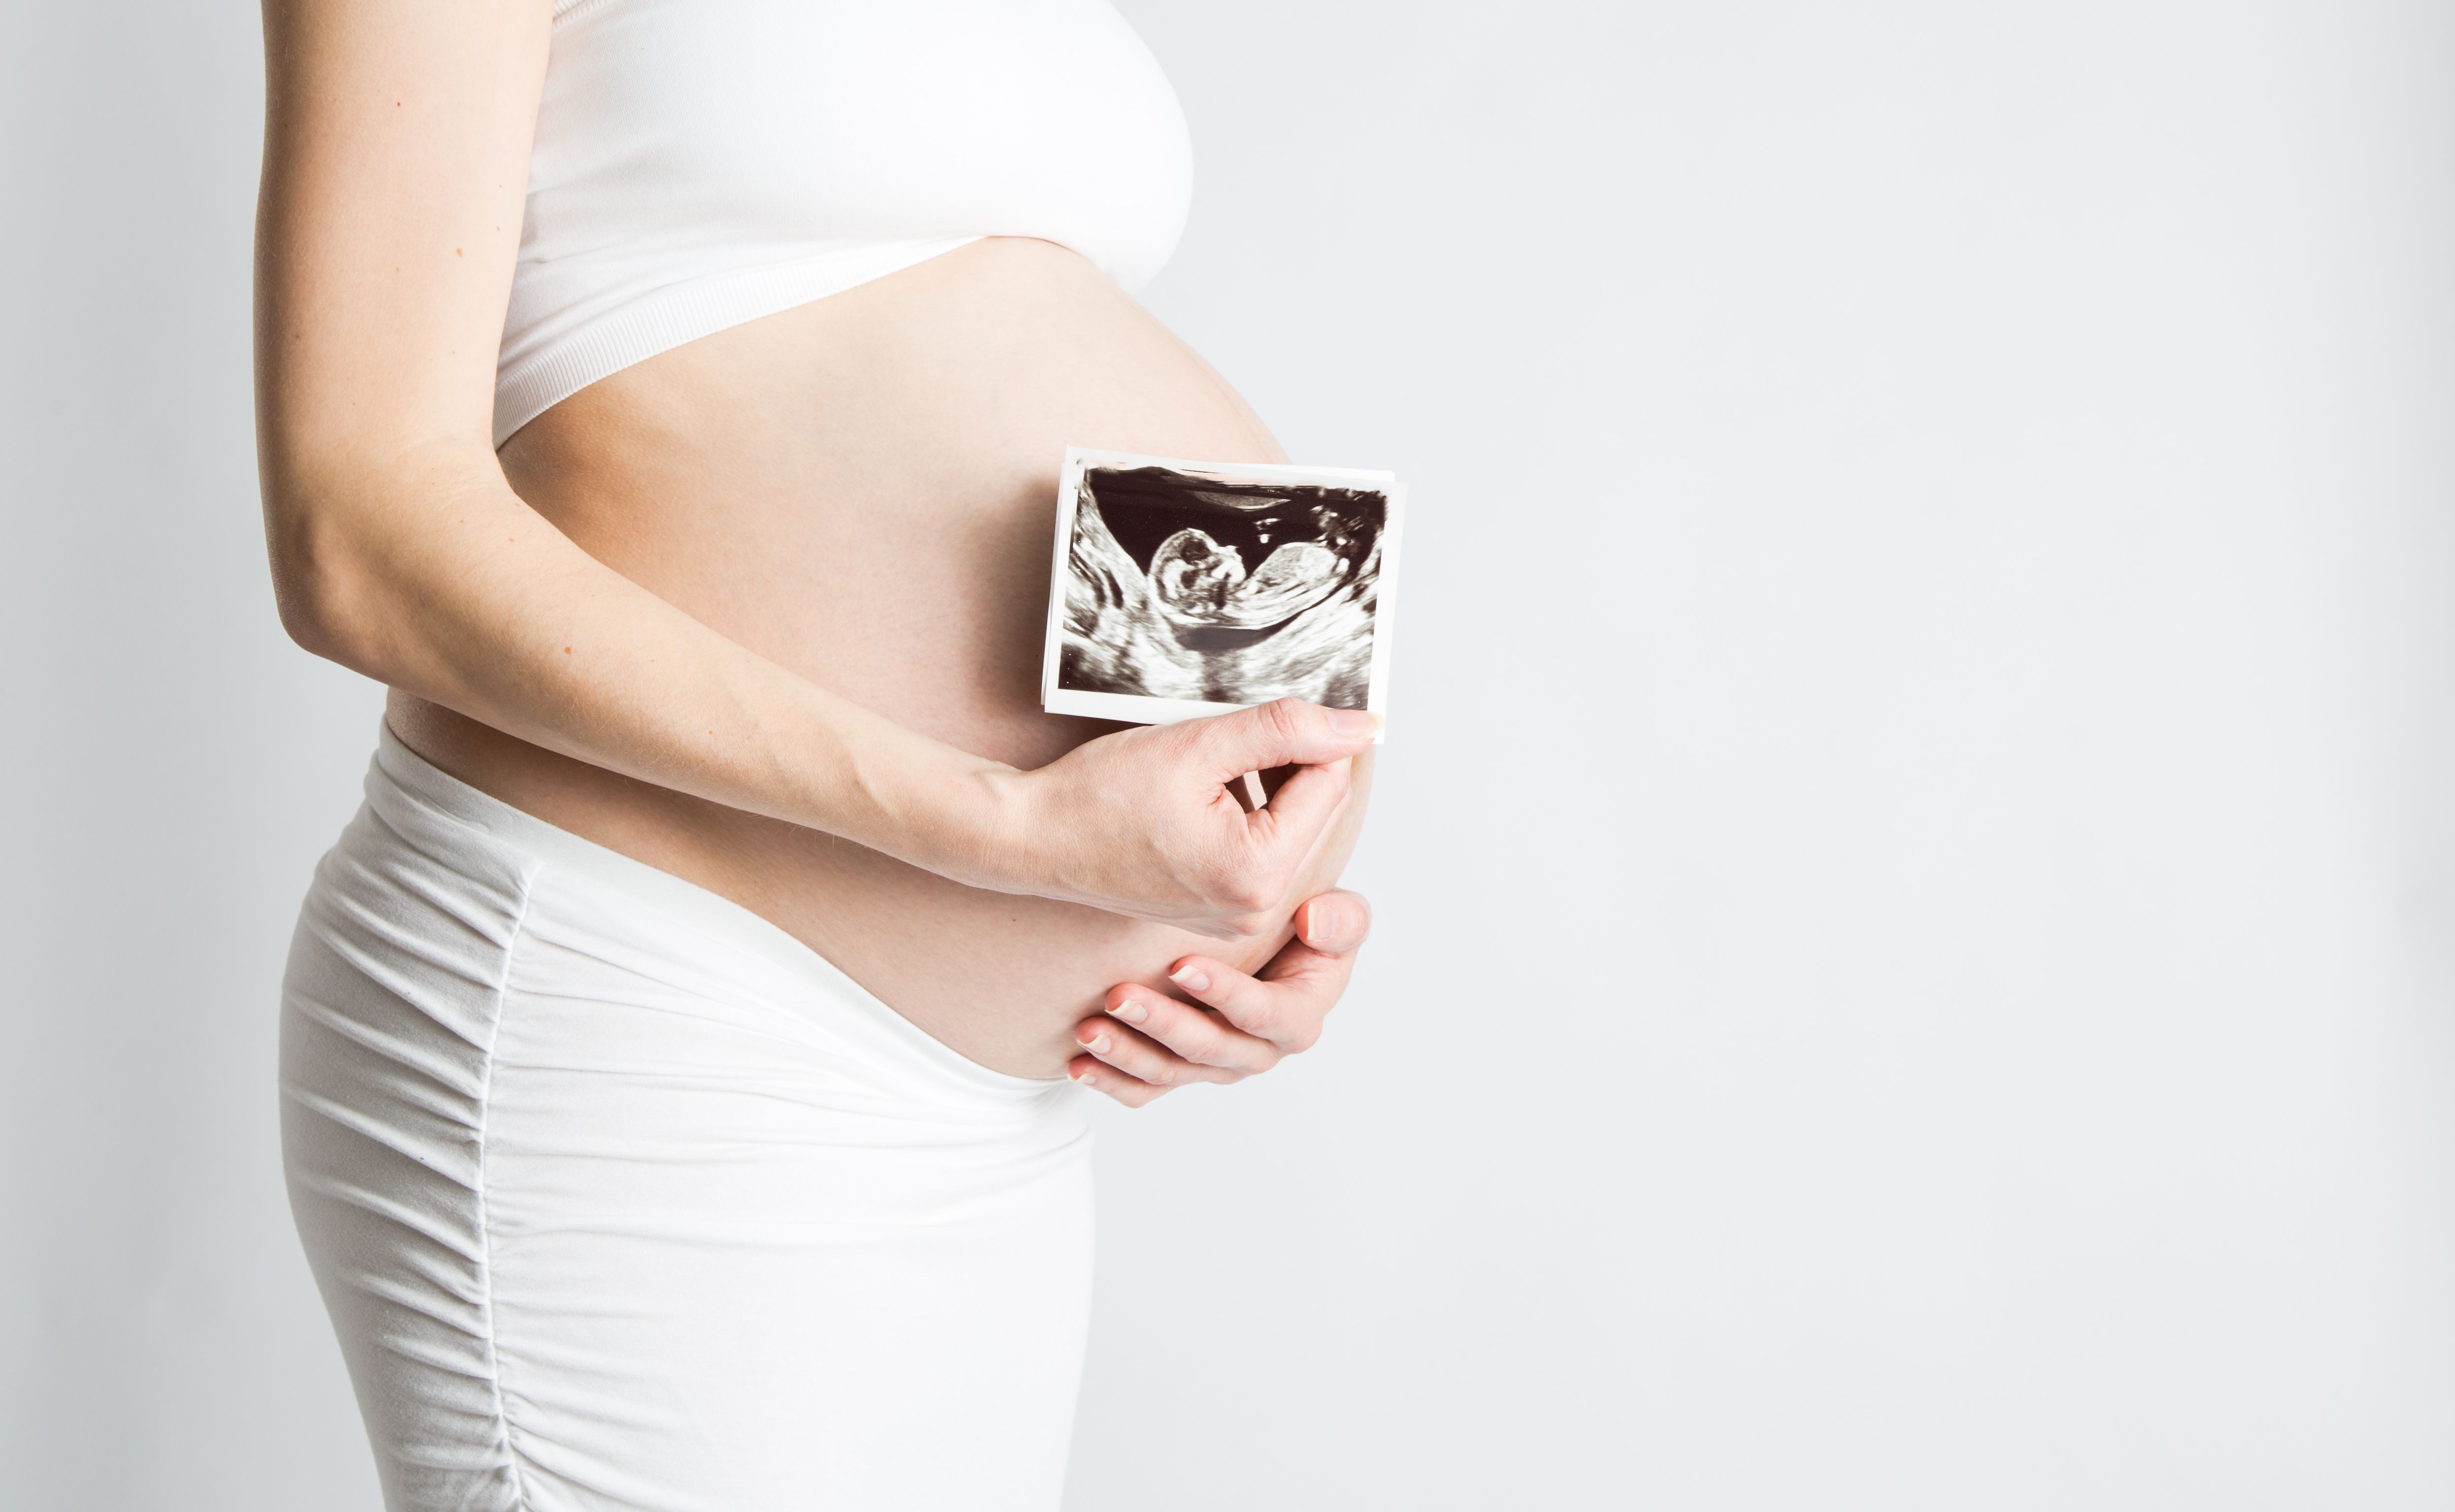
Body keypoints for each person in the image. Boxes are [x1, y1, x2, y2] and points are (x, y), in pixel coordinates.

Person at [253, 1, 1381, 1508]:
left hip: (996, 1114)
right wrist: (998, 829)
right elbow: (358, 534)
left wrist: (1253, 897)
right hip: (649, 1007)